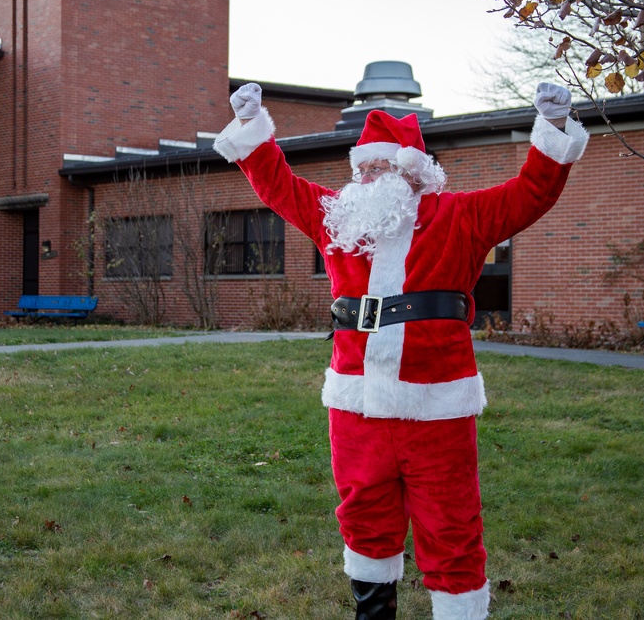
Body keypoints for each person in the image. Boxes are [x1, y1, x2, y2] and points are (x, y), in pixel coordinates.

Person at [214, 82, 588, 619]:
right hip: (356, 404)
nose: (363, 179)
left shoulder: (462, 217)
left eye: (377, 168)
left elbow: (530, 193)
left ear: (411, 171)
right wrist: (254, 126)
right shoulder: (338, 219)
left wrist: (551, 127)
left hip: (435, 407)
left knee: (451, 527)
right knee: (364, 518)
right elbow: (278, 186)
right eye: (361, 169)